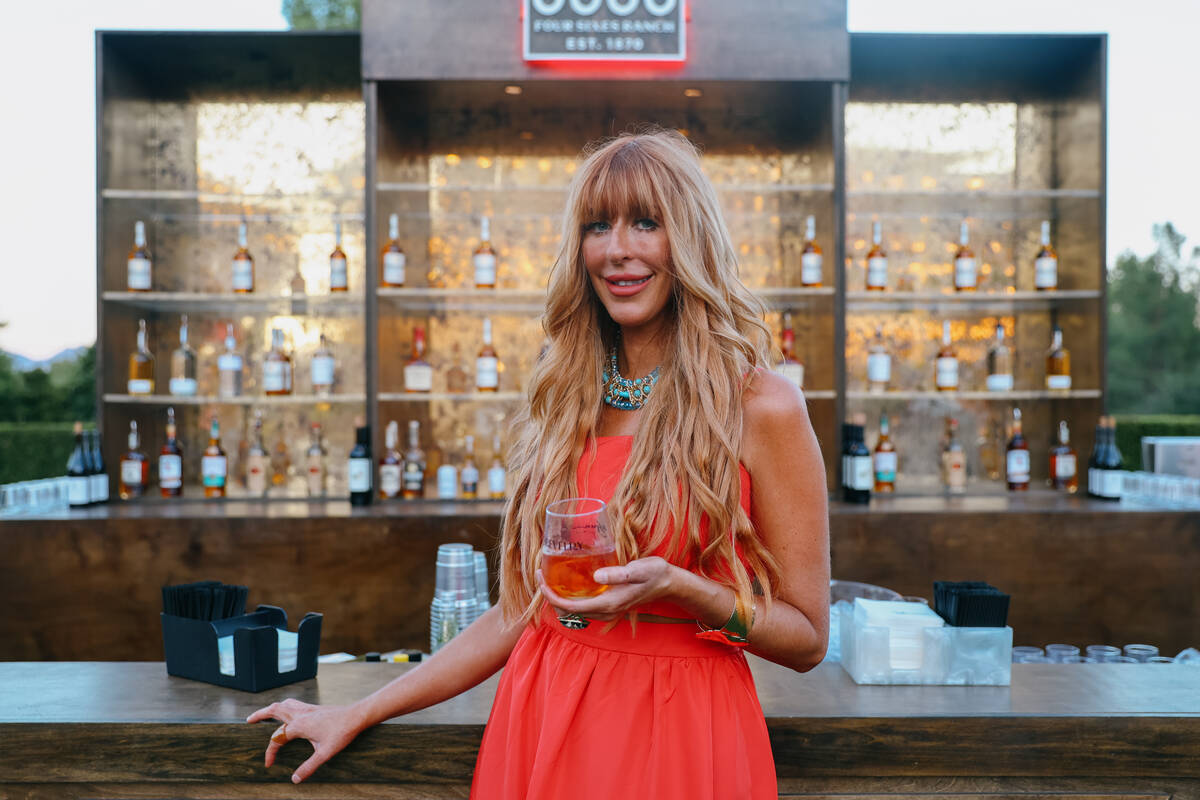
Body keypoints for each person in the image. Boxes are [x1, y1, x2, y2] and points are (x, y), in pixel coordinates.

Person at [247, 128, 830, 799]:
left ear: (690, 238)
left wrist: (684, 587)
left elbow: (808, 638)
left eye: (646, 222)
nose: (618, 249)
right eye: (596, 227)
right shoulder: (566, 395)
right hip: (542, 712)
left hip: (679, 725)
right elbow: (519, 611)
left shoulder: (763, 406)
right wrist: (361, 709)